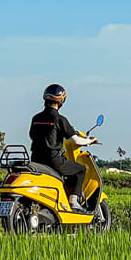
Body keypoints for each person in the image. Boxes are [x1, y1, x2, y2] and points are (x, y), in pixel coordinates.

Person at [29, 84, 97, 213]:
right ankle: (73, 201)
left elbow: (33, 136)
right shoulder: (60, 119)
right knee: (80, 170)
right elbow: (75, 140)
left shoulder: (36, 118)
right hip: (52, 159)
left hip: (36, 159)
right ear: (61, 101)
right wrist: (89, 141)